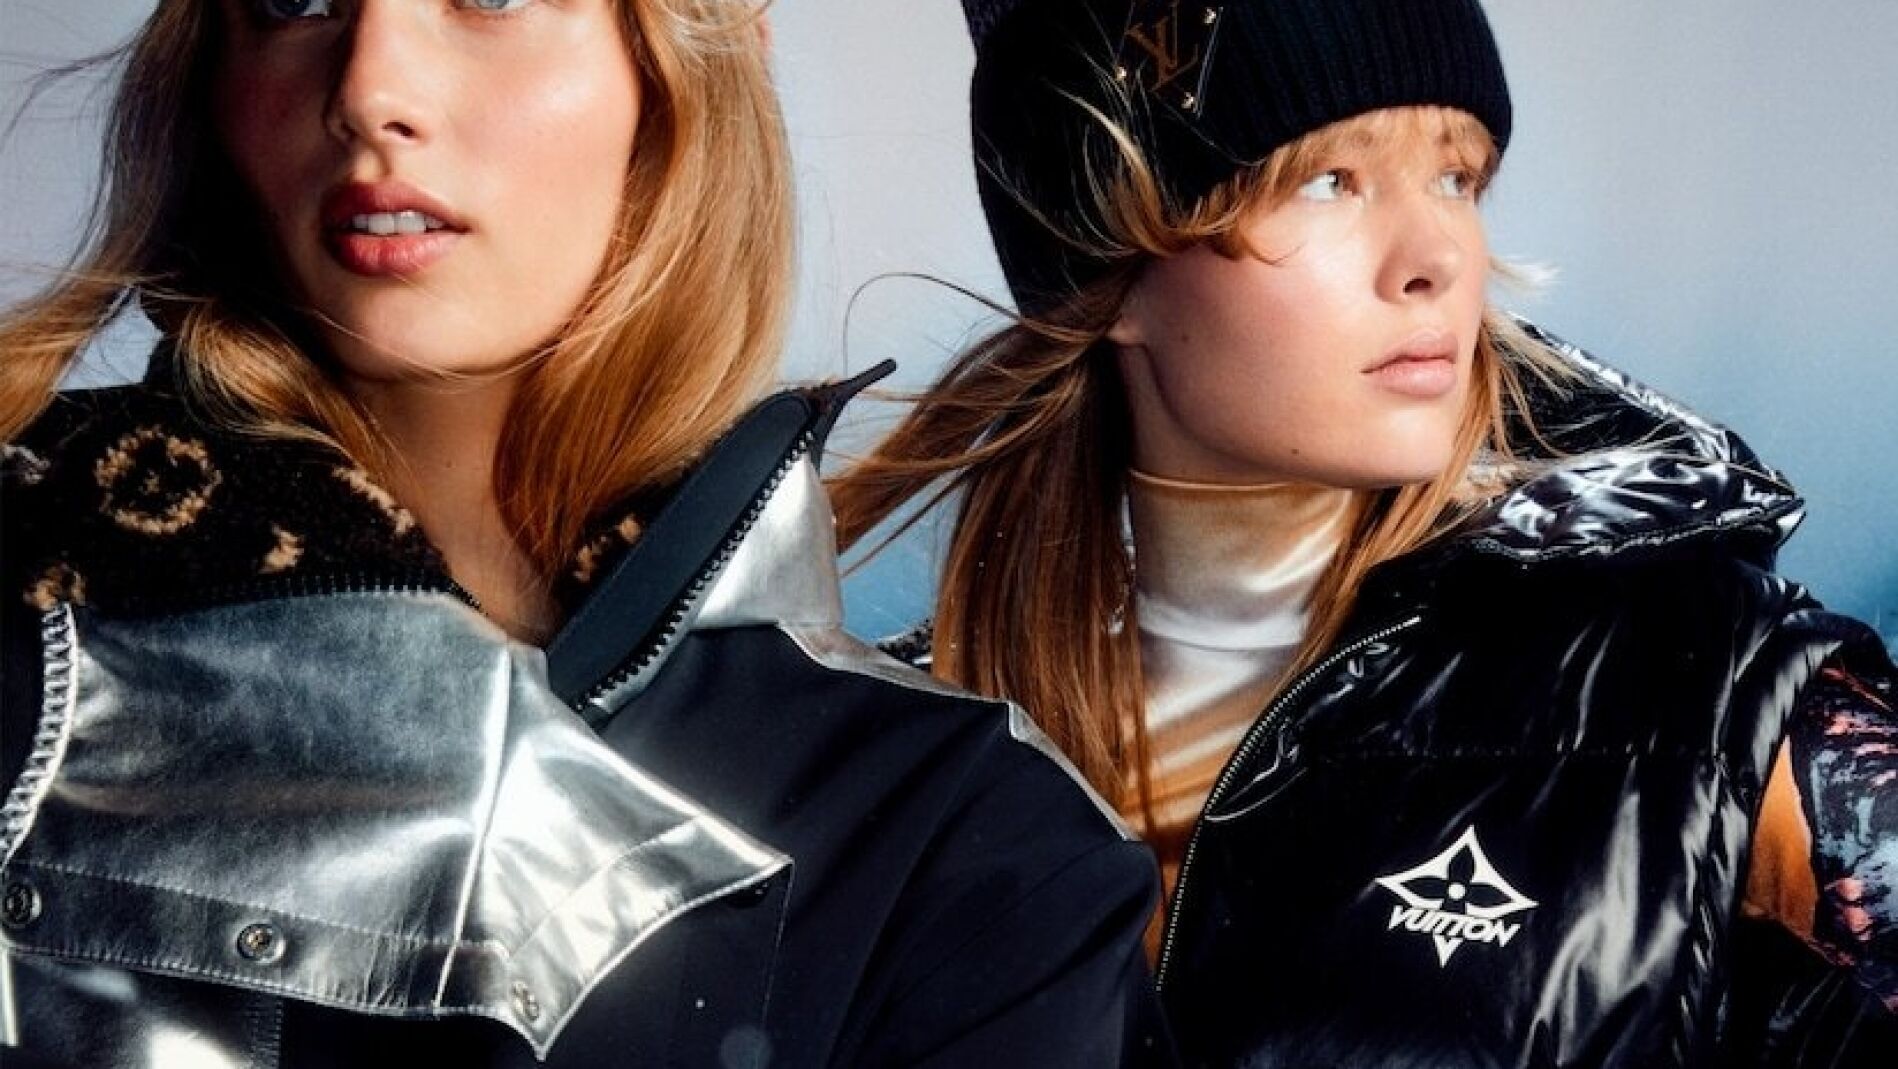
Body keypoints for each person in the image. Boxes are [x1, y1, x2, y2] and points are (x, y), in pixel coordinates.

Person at [0, 1, 1161, 1065]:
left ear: (685, 61)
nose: (368, 87)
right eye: (293, 0)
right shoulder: (26, 658)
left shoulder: (968, 848)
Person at [832, 0, 1898, 1063]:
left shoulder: (1715, 691)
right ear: (1106, 265)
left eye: (1456, 177)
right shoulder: (886, 772)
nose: (1435, 257)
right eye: (1327, 181)